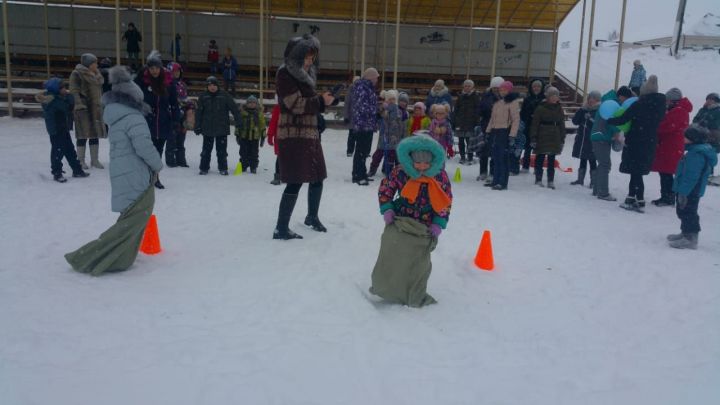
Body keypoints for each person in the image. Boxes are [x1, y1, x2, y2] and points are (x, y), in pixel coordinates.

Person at [64, 65, 163, 276]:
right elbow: (144, 147)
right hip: (134, 172)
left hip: (122, 172)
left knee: (129, 218)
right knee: (135, 218)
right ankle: (97, 255)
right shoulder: (134, 118)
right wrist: (157, 165)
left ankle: (120, 255)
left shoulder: (116, 118)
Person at [371, 134, 452, 307]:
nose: (422, 166)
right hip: (402, 220)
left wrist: (439, 222)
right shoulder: (401, 172)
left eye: (426, 163)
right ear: (410, 159)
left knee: (418, 262)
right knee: (393, 253)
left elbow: (446, 201)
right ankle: (388, 286)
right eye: (418, 162)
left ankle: (414, 291)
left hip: (425, 226)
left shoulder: (439, 177)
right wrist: (387, 209)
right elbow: (386, 189)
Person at [273, 34, 334, 239]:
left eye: (312, 56)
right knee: (295, 180)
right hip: (293, 134)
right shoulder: (285, 74)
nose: (310, 60)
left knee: (318, 176)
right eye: (307, 56)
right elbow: (294, 104)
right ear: (297, 56)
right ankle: (281, 228)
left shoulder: (306, 74)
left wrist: (324, 101)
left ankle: (312, 216)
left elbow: (308, 102)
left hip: (309, 133)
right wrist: (321, 102)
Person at [608, 75, 666, 213]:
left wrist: (610, 120)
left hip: (636, 141)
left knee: (635, 172)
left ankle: (634, 199)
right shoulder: (660, 106)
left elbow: (624, 118)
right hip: (650, 142)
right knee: (638, 172)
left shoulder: (640, 104)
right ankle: (636, 198)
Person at [667, 125, 717, 249]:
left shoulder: (696, 155)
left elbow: (691, 176)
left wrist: (683, 192)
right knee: (683, 211)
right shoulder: (694, 151)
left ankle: (691, 238)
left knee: (688, 212)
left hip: (691, 190)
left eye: (686, 137)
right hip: (688, 188)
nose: (683, 138)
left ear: (694, 139)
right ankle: (685, 233)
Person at [135, 51, 179, 188]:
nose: (154, 71)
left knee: (158, 152)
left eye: (156, 68)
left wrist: (176, 120)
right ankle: (144, 177)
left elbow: (174, 104)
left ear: (161, 68)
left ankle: (155, 177)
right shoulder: (142, 82)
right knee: (146, 151)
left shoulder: (168, 84)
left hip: (163, 122)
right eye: (151, 68)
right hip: (147, 122)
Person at [37, 78, 90, 183]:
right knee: (58, 151)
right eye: (62, 88)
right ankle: (57, 173)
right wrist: (70, 96)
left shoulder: (59, 98)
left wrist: (68, 95)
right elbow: (68, 107)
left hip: (63, 128)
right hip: (56, 130)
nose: (65, 89)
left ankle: (76, 170)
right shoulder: (53, 100)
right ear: (56, 90)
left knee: (69, 149)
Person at [650, 88, 692, 206]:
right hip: (670, 146)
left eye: (668, 100)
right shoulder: (679, 110)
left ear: (674, 101)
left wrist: (655, 127)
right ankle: (668, 196)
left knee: (666, 173)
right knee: (666, 173)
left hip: (670, 146)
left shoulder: (679, 111)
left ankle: (667, 197)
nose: (666, 102)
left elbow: (666, 126)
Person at [194, 76, 242, 175]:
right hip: (207, 128)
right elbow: (199, 112)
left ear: (217, 86)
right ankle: (204, 168)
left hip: (222, 127)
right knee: (206, 151)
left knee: (222, 151)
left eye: (214, 85)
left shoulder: (225, 95)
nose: (212, 87)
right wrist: (197, 125)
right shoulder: (203, 97)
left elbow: (234, 109)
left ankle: (223, 168)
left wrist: (239, 122)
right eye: (210, 85)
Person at [69, 53, 107, 170]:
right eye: (94, 62)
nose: (96, 64)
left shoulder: (96, 74)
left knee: (94, 133)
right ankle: (80, 160)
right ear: (89, 64)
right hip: (84, 109)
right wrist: (79, 104)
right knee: (82, 135)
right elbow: (74, 90)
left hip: (95, 108)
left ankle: (94, 160)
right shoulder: (77, 74)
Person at [485, 80, 520, 190]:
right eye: (500, 90)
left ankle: (502, 182)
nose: (502, 92)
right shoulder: (497, 102)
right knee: (495, 158)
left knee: (503, 158)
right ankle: (495, 180)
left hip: (505, 132)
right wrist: (488, 131)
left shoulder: (513, 102)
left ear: (509, 91)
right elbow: (492, 118)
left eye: (504, 90)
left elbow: (515, 120)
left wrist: (512, 135)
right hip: (495, 131)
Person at [530, 86, 566, 189]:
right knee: (540, 157)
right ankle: (538, 179)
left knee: (551, 159)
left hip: (555, 135)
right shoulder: (540, 108)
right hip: (542, 134)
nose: (555, 98)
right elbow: (535, 124)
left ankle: (550, 180)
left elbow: (561, 124)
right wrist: (533, 137)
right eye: (553, 96)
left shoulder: (559, 109)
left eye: (556, 96)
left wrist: (562, 137)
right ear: (548, 97)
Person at [350, 67, 379, 186]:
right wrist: (377, 109)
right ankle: (357, 175)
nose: (377, 79)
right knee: (361, 151)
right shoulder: (362, 88)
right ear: (371, 78)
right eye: (376, 77)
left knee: (365, 151)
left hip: (368, 124)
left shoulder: (368, 88)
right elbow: (362, 107)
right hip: (362, 125)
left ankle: (361, 172)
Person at [590, 92, 621, 201]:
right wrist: (617, 133)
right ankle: (603, 192)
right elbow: (611, 122)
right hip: (601, 137)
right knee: (605, 164)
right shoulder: (612, 105)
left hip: (599, 137)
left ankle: (597, 189)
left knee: (603, 164)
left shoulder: (606, 103)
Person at [368, 90, 406, 177]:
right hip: (383, 137)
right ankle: (372, 169)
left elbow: (398, 122)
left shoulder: (398, 110)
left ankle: (388, 170)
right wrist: (381, 111)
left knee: (391, 156)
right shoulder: (383, 109)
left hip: (393, 138)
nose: (391, 101)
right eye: (389, 99)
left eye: (393, 99)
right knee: (377, 155)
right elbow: (377, 119)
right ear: (386, 100)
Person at [570, 90, 600, 186]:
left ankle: (593, 181)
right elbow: (575, 121)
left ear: (597, 100)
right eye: (590, 98)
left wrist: (590, 119)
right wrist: (581, 110)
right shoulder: (584, 109)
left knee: (592, 160)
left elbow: (598, 125)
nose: (591, 100)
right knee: (583, 158)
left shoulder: (599, 111)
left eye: (594, 99)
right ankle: (580, 179)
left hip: (592, 140)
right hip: (582, 139)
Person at [477, 76, 504, 181]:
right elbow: (480, 109)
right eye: (494, 88)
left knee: (495, 151)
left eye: (498, 88)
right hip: (486, 125)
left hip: (500, 127)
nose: (496, 90)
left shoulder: (505, 97)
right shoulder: (486, 96)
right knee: (485, 149)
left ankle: (493, 172)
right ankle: (483, 172)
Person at [692, 92, 720, 186]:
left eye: (711, 99)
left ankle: (708, 174)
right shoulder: (703, 109)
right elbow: (695, 120)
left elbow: (716, 124)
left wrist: (704, 123)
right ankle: (702, 173)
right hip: (701, 136)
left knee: (709, 154)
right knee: (701, 154)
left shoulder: (718, 110)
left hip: (713, 137)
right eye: (708, 99)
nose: (709, 101)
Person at [235, 95, 266, 174]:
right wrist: (237, 135)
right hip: (244, 136)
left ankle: (253, 166)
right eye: (250, 103)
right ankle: (243, 165)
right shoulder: (242, 113)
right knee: (243, 152)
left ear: (256, 104)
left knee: (254, 153)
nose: (252, 104)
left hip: (254, 137)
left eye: (253, 103)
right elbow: (238, 124)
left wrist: (263, 136)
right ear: (247, 104)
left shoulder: (259, 113)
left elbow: (262, 125)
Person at [452, 79, 481, 165]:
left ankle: (470, 157)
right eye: (465, 86)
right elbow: (456, 110)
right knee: (461, 141)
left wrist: (477, 121)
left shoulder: (475, 97)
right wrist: (454, 120)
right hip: (460, 122)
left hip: (471, 123)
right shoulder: (460, 97)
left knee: (469, 141)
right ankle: (462, 156)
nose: (467, 87)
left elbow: (477, 110)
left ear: (472, 87)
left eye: (469, 86)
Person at [519, 79, 545, 172]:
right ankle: (525, 166)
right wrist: (529, 116)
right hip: (529, 125)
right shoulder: (527, 99)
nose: (536, 88)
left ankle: (538, 168)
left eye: (538, 86)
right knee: (527, 147)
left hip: (541, 127)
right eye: (534, 86)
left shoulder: (544, 99)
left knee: (539, 148)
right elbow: (522, 113)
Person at [168, 61, 190, 167]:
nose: (175, 73)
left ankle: (181, 160)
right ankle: (170, 160)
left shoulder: (182, 84)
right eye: (173, 71)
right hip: (172, 115)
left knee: (181, 139)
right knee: (171, 139)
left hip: (182, 115)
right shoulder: (166, 84)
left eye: (177, 71)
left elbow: (185, 99)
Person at [343, 76, 360, 157]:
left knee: (360, 136)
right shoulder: (350, 90)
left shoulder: (362, 91)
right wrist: (346, 116)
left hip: (360, 119)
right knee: (352, 136)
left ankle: (360, 151)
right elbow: (347, 104)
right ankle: (350, 151)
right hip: (352, 117)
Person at [266, 103, 282, 185]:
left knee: (292, 158)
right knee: (280, 157)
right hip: (281, 137)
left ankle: (290, 177)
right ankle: (278, 177)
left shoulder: (297, 105)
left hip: (293, 137)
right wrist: (270, 135)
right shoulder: (278, 107)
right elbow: (273, 122)